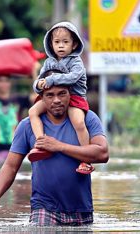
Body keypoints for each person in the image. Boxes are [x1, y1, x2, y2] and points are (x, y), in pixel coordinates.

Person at [0, 70, 109, 226]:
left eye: (62, 94)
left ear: (70, 93)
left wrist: (59, 146)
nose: (56, 100)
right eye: (50, 95)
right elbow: (10, 166)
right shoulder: (27, 126)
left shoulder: (86, 118)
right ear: (41, 98)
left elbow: (102, 153)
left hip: (81, 208)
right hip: (43, 208)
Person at [28, 21, 94, 174]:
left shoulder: (76, 62)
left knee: (78, 122)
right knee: (33, 112)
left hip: (75, 97)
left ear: (74, 44)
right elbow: (39, 80)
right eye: (57, 42)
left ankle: (86, 159)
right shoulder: (49, 62)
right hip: (53, 97)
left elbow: (72, 78)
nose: (61, 46)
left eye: (65, 42)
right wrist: (38, 85)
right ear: (51, 44)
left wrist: (50, 80)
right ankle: (41, 143)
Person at [0, 63, 39, 163]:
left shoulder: (18, 99)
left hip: (16, 148)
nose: (4, 84)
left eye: (6, 81)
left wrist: (34, 72)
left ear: (10, 83)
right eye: (1, 81)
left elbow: (37, 97)